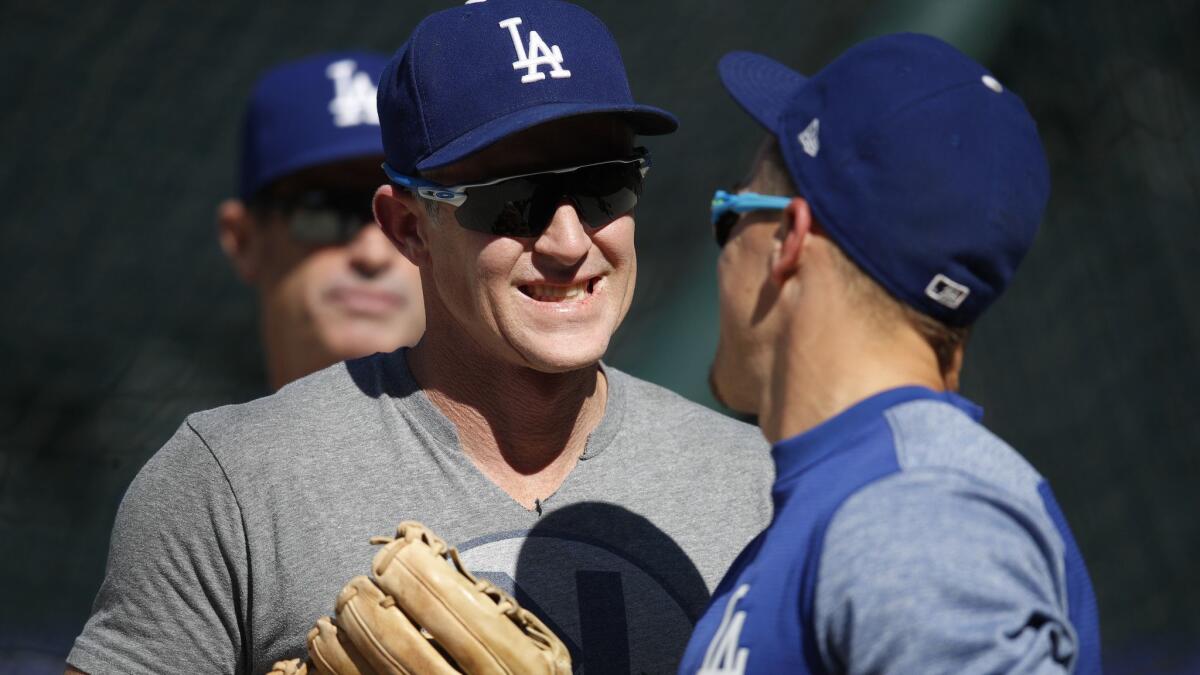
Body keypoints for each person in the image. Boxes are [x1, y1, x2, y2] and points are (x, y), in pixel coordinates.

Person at [66, 2, 773, 674]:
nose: (568, 241)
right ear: (408, 227)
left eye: (604, 185)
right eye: (512, 200)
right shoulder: (229, 483)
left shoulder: (759, 485)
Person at [678, 34, 1102, 674]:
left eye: (730, 210)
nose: (726, 244)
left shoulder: (915, 514)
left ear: (788, 239)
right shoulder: (863, 499)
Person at [216, 52, 425, 391]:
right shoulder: (195, 444)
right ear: (243, 239)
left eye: (407, 217)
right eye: (325, 211)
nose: (372, 255)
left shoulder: (524, 444)